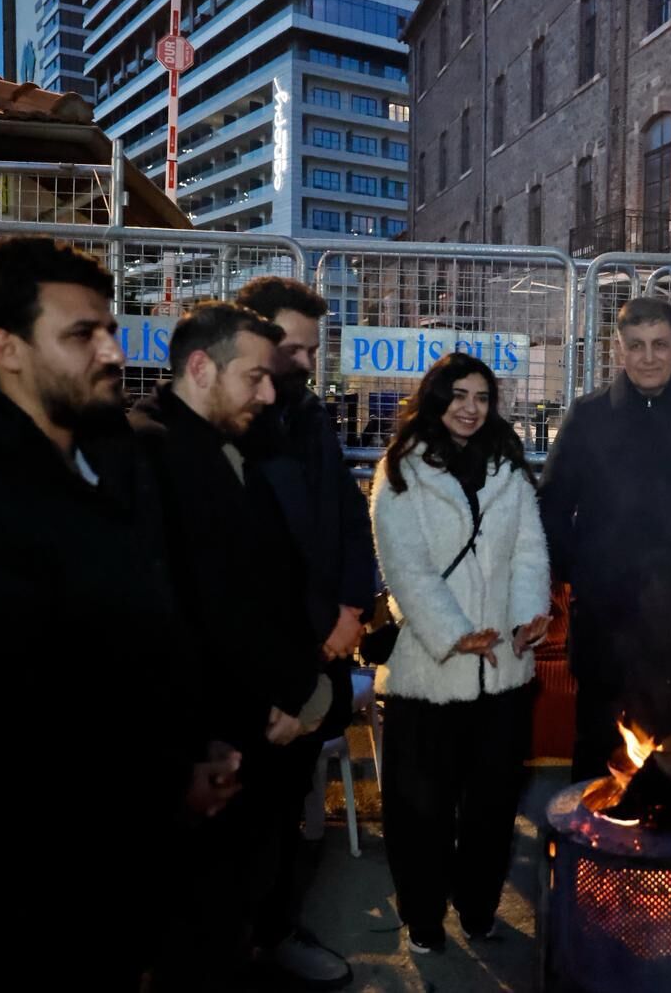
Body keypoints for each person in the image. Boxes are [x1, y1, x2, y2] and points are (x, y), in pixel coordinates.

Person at [0, 237, 237, 990]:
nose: (111, 350)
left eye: (109, 327)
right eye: (81, 334)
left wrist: (189, 752)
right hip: (24, 896)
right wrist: (156, 780)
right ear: (5, 348)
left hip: (124, 859)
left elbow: (151, 628)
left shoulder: (112, 460)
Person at [130, 302, 333, 988]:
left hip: (256, 730)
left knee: (234, 910)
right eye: (256, 377)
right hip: (213, 752)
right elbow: (193, 614)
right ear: (198, 367)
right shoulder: (153, 455)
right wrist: (286, 695)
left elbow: (272, 582)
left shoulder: (229, 445)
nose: (271, 393)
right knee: (199, 932)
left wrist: (302, 687)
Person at [370, 352, 552, 955]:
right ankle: (423, 919)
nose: (471, 408)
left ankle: (478, 909)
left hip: (503, 671)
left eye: (481, 397)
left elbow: (529, 552)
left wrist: (528, 619)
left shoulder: (509, 469)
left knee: (492, 808)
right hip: (430, 674)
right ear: (435, 399)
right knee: (419, 809)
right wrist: (454, 635)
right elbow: (406, 568)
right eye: (459, 396)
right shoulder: (400, 471)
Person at [236, 276, 377, 986]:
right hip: (262, 667)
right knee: (241, 816)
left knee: (290, 805)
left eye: (311, 349)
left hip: (321, 649)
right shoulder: (225, 433)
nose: (303, 363)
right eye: (291, 349)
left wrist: (353, 608)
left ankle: (276, 928)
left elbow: (349, 517)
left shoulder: (311, 418)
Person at [539, 296, 671, 779]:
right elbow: (552, 504)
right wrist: (578, 570)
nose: (649, 357)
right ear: (617, 349)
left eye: (660, 345)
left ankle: (658, 848)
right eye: (637, 345)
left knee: (665, 737)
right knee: (595, 736)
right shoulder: (587, 417)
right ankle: (586, 844)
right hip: (603, 612)